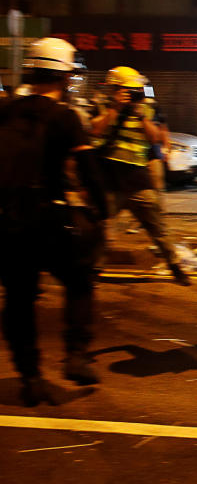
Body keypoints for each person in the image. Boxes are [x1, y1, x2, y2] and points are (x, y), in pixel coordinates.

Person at [0, 38, 109, 405]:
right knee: (79, 281)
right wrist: (100, 210)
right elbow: (88, 170)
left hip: (9, 220)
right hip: (50, 217)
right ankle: (76, 354)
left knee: (19, 300)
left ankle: (30, 377)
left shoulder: (5, 109)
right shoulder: (65, 117)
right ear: (64, 78)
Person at [90, 65, 190, 285]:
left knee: (158, 228)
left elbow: (154, 137)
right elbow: (94, 130)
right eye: (124, 90)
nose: (129, 94)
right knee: (101, 228)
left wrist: (139, 115)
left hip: (138, 180)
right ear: (114, 89)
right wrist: (115, 109)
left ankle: (175, 267)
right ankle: (93, 269)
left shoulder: (145, 106)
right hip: (110, 180)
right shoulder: (102, 105)